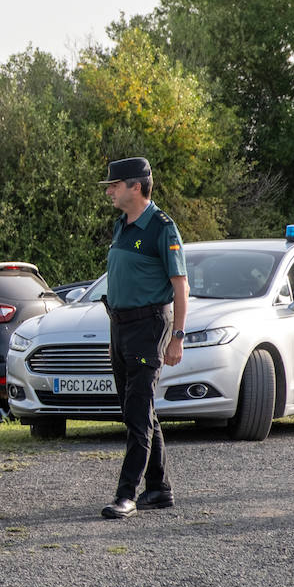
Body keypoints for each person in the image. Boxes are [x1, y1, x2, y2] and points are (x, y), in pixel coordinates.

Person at [98, 157, 186, 520]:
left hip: (148, 326)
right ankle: (159, 489)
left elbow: (181, 289)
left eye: (114, 185)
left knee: (137, 414)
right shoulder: (122, 224)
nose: (109, 191)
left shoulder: (162, 228)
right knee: (140, 411)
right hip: (120, 327)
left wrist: (176, 337)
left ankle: (126, 494)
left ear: (136, 186)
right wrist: (113, 335)